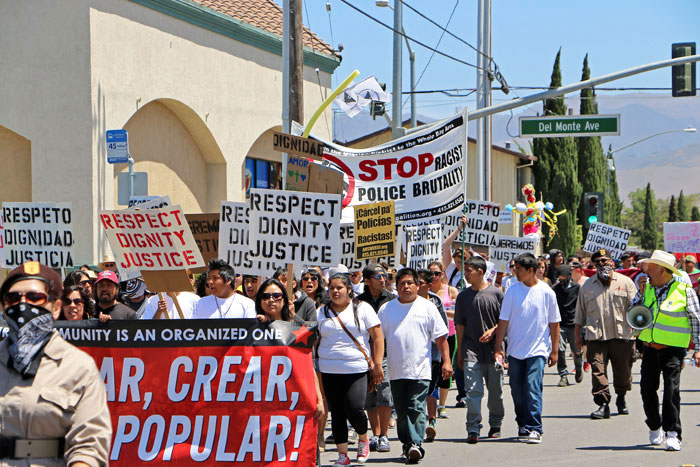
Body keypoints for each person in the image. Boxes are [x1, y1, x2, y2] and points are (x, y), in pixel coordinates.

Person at [0, 261, 111, 465]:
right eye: (13, 298)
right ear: (3, 306)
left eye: (35, 297)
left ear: (55, 306)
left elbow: (89, 447)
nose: (24, 305)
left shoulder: (79, 368)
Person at [378, 268, 452, 464]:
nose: (406, 287)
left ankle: (416, 444)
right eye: (402, 283)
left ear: (418, 286)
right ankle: (407, 444)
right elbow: (377, 339)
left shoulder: (427, 307)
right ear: (396, 286)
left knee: (416, 407)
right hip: (395, 370)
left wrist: (447, 361)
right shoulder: (387, 309)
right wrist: (375, 363)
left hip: (420, 369)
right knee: (402, 411)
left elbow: (441, 338)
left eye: (410, 283)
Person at [635, 250, 700, 451]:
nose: (646, 270)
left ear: (662, 270)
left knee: (671, 391)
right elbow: (636, 313)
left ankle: (673, 433)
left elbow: (696, 320)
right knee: (647, 388)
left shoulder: (684, 290)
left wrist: (698, 348)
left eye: (651, 267)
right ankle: (655, 425)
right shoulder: (647, 289)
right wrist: (639, 294)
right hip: (649, 348)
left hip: (673, 349)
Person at [317, 273, 384, 466]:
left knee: (354, 408)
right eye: (332, 288)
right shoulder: (321, 312)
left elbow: (378, 337)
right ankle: (342, 455)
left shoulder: (362, 308)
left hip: (355, 368)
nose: (335, 291)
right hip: (329, 369)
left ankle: (363, 439)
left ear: (348, 290)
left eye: (339, 288)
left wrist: (377, 363)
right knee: (337, 412)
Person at [493, 253, 560, 444]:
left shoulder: (547, 292)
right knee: (516, 389)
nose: (515, 272)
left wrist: (554, 350)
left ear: (531, 270)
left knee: (532, 387)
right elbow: (503, 321)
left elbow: (554, 323)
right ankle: (522, 423)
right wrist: (498, 348)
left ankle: (534, 427)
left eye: (519, 269)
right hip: (515, 350)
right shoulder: (513, 291)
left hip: (537, 350)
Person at [574, 249, 637, 419]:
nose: (602, 264)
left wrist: (637, 333)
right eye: (598, 262)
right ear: (594, 266)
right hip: (596, 337)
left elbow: (636, 311)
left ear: (612, 263)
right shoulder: (587, 286)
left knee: (623, 371)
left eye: (605, 261)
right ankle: (603, 404)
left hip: (622, 336)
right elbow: (579, 315)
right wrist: (577, 339)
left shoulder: (626, 283)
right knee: (597, 371)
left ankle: (621, 396)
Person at [454, 256, 504, 444]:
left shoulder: (496, 294)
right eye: (464, 270)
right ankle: (473, 427)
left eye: (469, 270)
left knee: (495, 392)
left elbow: (504, 321)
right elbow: (459, 325)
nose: (465, 274)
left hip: (493, 351)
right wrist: (460, 352)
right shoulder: (463, 296)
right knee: (473, 391)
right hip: (470, 351)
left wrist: (493, 332)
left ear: (480, 272)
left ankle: (496, 423)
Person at [356, 263, 394, 453]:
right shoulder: (357, 302)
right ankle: (376, 434)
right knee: (369, 397)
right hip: (364, 356)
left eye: (384, 276)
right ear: (367, 281)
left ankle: (384, 435)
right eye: (377, 277)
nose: (382, 279)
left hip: (386, 354)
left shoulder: (392, 300)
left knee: (385, 394)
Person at [416, 269, 449, 442]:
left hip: (433, 353)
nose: (415, 285)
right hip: (413, 354)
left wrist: (446, 360)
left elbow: (442, 329)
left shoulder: (435, 301)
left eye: (419, 282)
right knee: (418, 389)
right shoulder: (406, 301)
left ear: (428, 285)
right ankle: (419, 424)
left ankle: (432, 420)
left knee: (430, 388)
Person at [427, 261, 459, 418]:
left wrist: (443, 314)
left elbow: (460, 312)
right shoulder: (422, 292)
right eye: (431, 273)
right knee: (431, 371)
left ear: (443, 274)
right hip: (428, 338)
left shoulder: (451, 291)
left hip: (448, 334)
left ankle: (442, 405)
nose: (434, 277)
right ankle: (429, 403)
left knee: (446, 368)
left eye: (437, 273)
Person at [551, 264, 583, 387]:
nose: (562, 280)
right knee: (560, 349)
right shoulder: (556, 289)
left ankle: (578, 365)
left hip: (574, 324)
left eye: (564, 277)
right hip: (560, 325)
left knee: (576, 350)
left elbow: (581, 305)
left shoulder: (577, 288)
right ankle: (563, 375)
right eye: (560, 278)